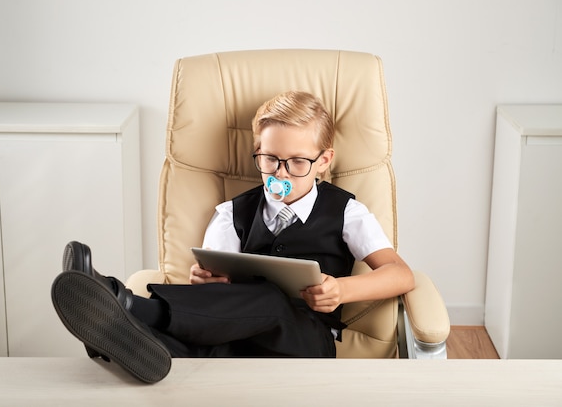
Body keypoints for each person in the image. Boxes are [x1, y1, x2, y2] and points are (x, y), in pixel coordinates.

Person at [51, 91, 415, 384]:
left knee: (272, 299)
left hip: (306, 339)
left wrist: (342, 290)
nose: (281, 173)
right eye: (270, 159)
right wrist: (205, 281)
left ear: (323, 161)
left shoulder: (347, 212)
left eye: (297, 162)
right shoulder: (232, 214)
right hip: (238, 337)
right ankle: (116, 338)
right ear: (257, 152)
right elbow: (210, 291)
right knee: (203, 354)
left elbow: (401, 275)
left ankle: (125, 304)